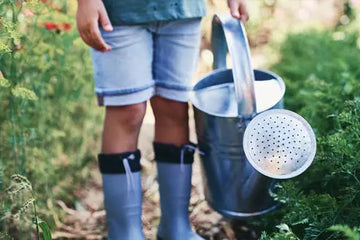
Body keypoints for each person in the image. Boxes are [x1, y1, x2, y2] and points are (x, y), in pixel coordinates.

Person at [76, 0, 249, 239]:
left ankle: (176, 227)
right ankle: (124, 232)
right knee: (127, 110)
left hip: (182, 10)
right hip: (117, 12)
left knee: (174, 107)